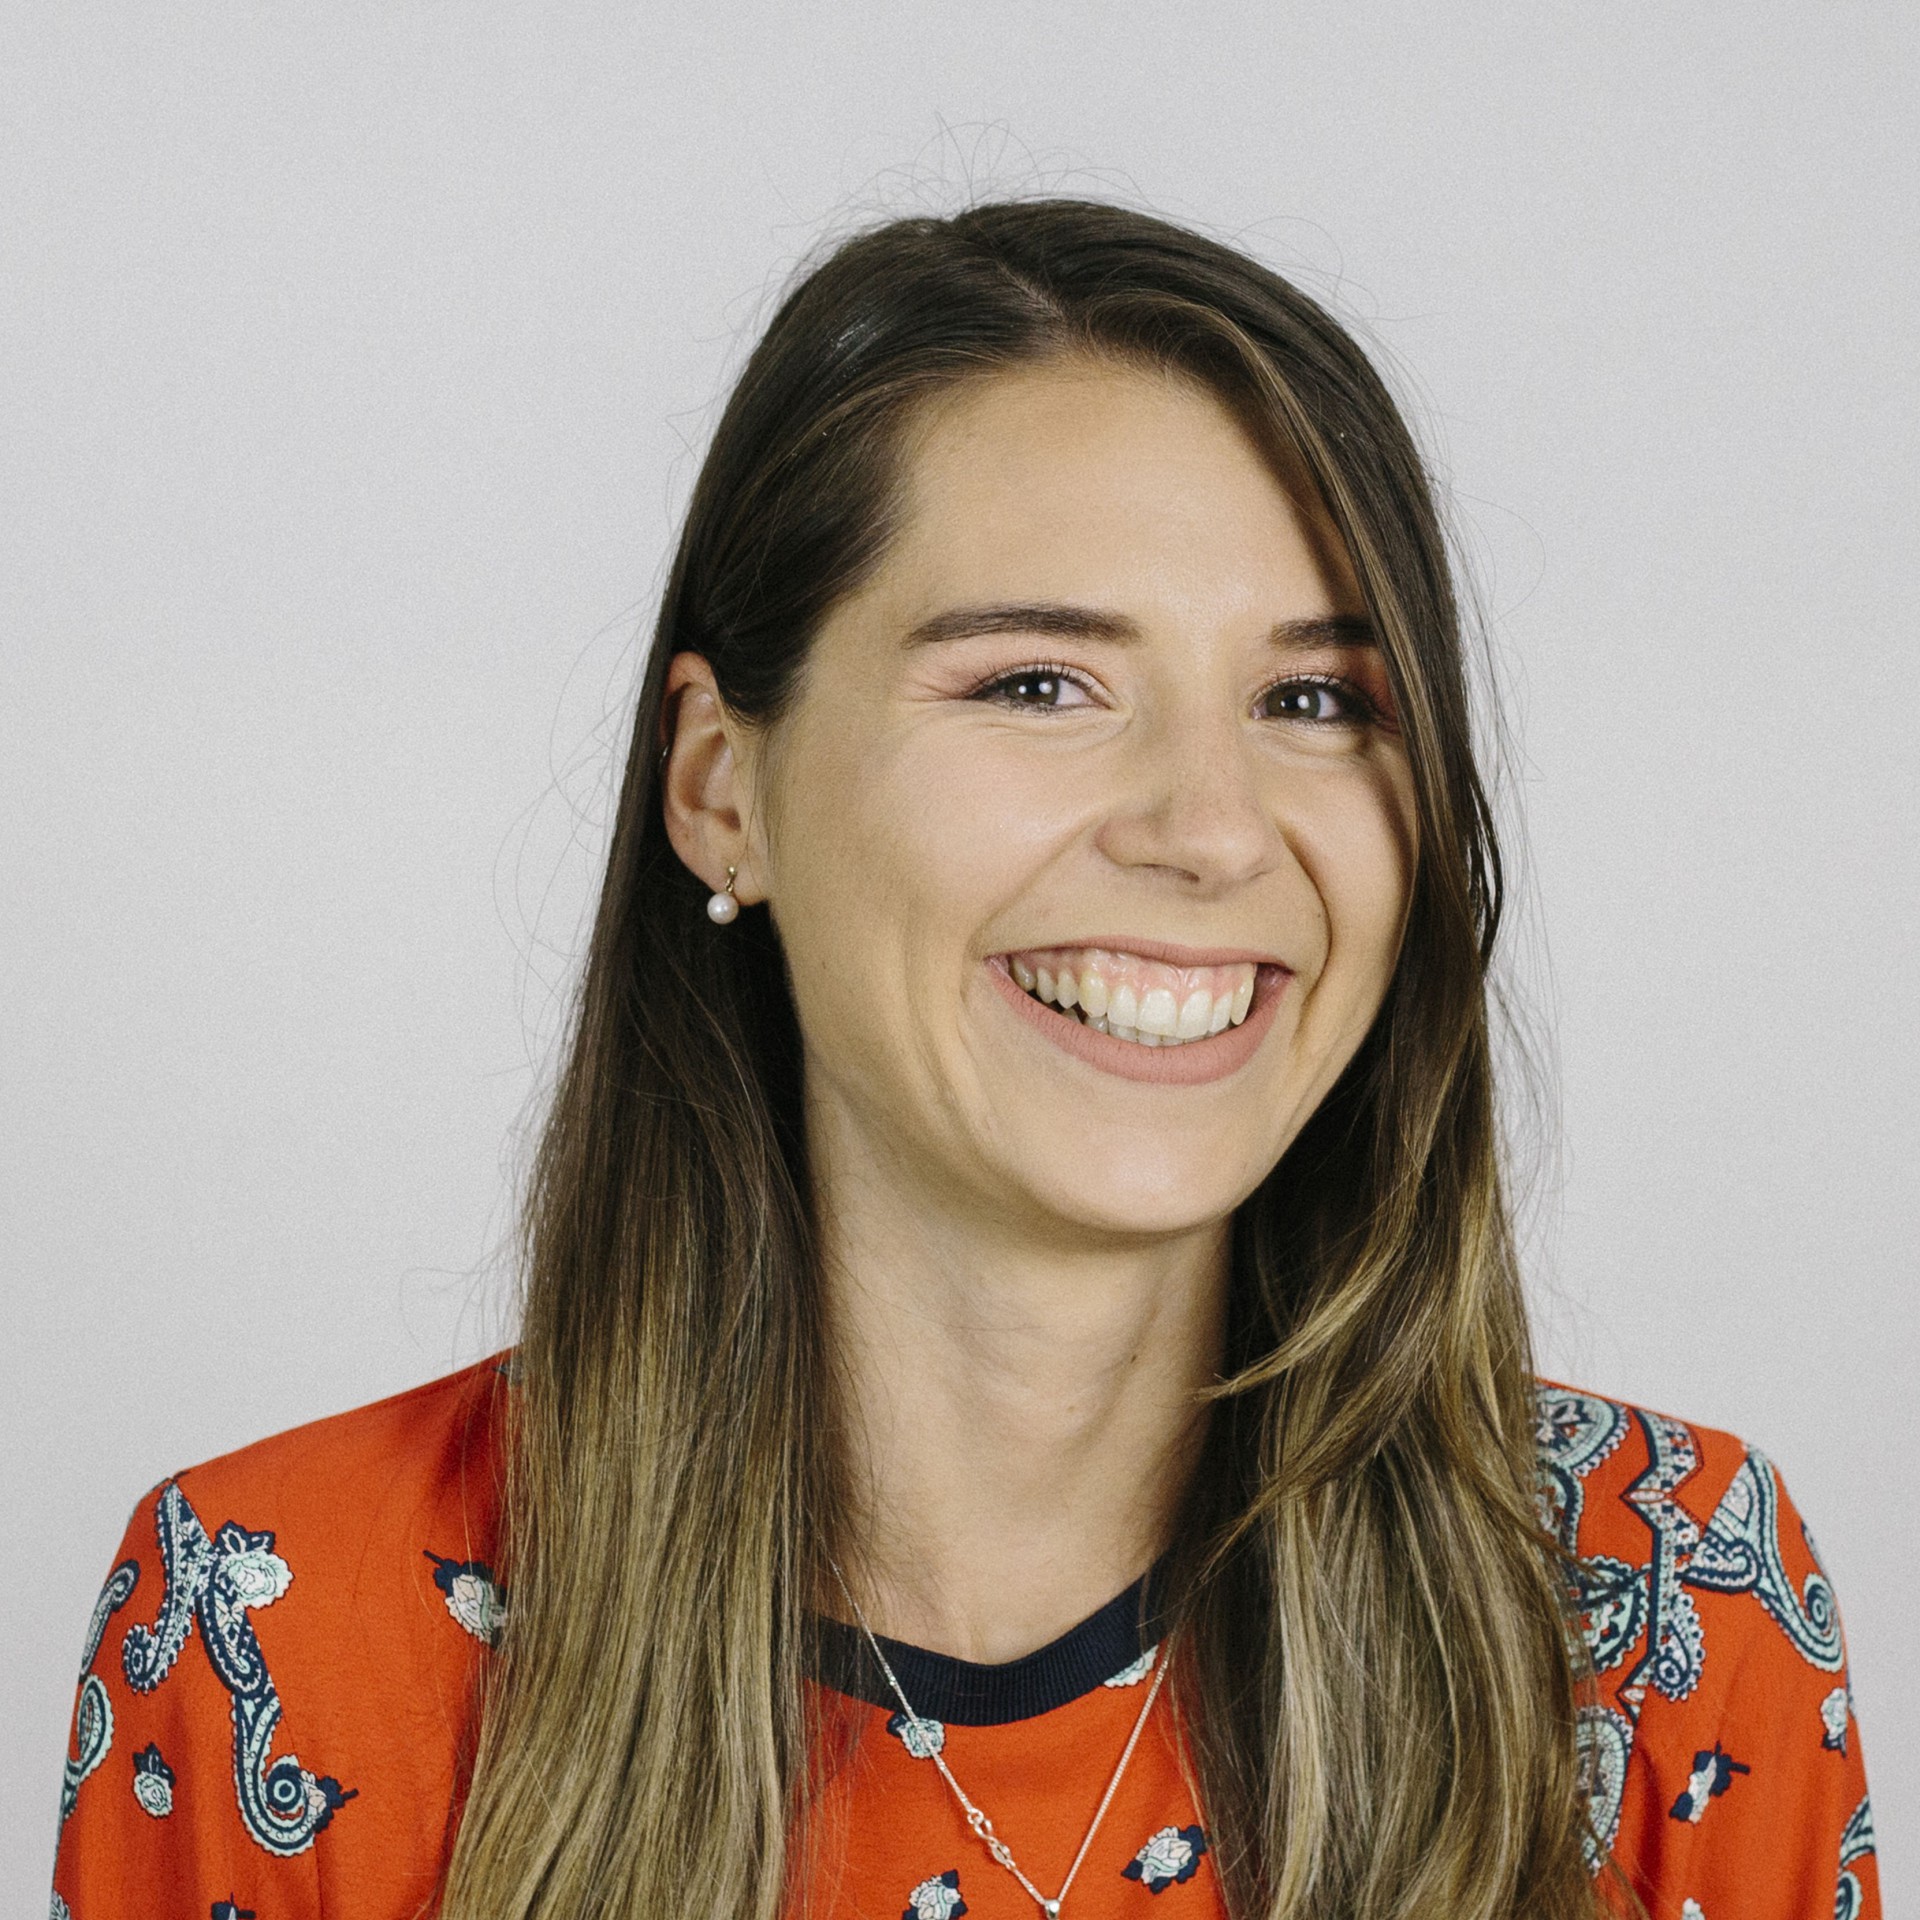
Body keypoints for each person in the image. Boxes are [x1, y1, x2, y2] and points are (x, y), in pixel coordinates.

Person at [51, 200, 1877, 1920]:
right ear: (721, 789)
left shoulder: (1664, 1615)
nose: (1209, 828)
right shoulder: (277, 1627)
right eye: (1038, 684)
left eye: (1314, 699)